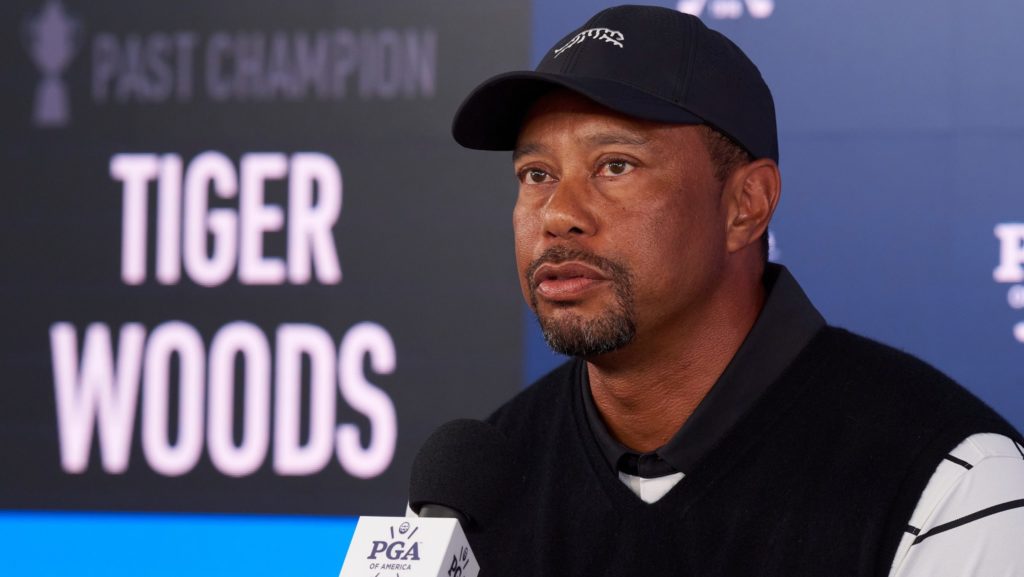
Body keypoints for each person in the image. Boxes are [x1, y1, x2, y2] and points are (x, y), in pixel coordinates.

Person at [448, 5, 1024, 576]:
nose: (558, 214)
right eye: (537, 175)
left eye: (615, 166)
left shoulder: (954, 483)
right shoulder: (471, 491)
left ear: (746, 205)